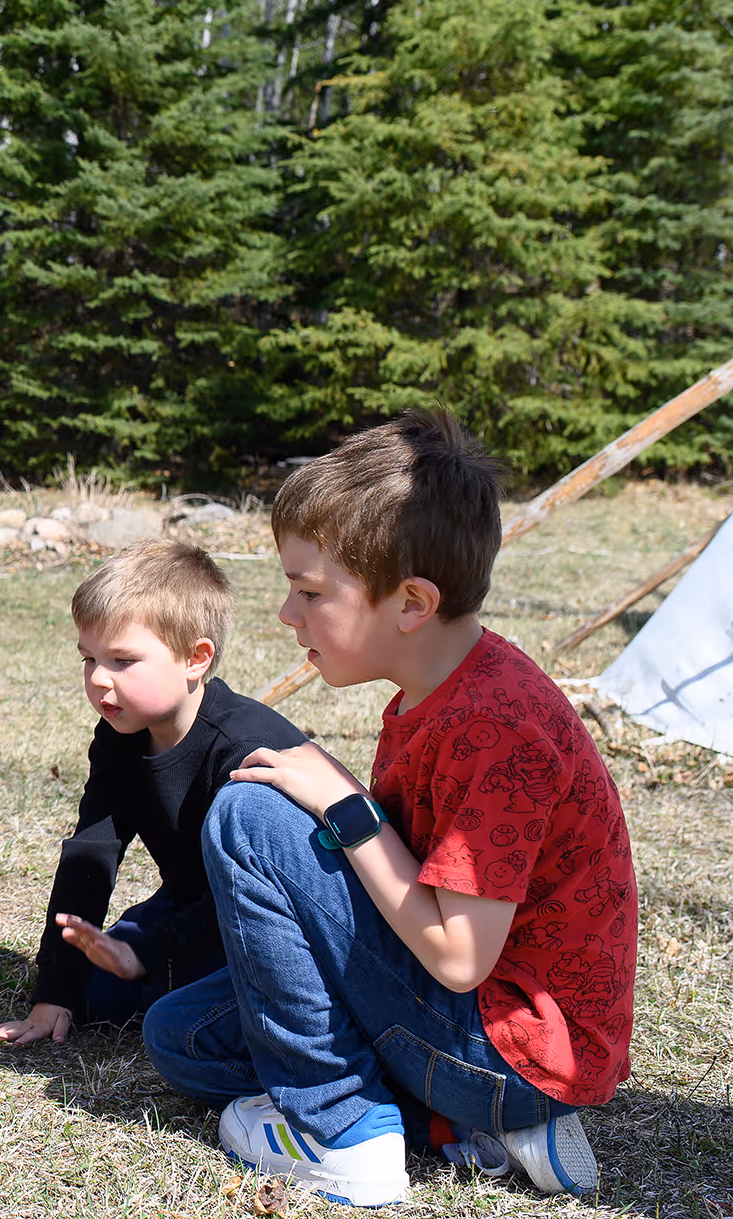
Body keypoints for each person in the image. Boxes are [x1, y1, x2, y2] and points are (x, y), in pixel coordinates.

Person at [143, 411, 637, 1206]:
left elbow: (458, 957)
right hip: (483, 1032)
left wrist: (345, 806)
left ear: (411, 602)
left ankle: (343, 1137)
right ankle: (452, 1127)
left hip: (513, 1049)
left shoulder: (494, 727)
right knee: (182, 1038)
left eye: (308, 591)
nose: (288, 615)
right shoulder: (448, 683)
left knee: (250, 820)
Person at [0, 541, 304, 1045]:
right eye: (88, 658)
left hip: (275, 924)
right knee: (96, 992)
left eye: (123, 660)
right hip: (189, 909)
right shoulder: (121, 734)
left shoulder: (244, 751)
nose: (98, 680)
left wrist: (152, 949)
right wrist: (57, 990)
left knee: (176, 1016)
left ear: (195, 659)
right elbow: (92, 853)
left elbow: (274, 895)